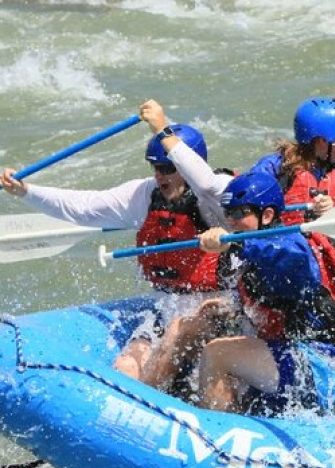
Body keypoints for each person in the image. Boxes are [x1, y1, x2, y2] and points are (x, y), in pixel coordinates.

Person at [0, 100, 234, 384]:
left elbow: (206, 182)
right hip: (167, 302)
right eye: (155, 167)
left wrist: (161, 128)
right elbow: (84, 208)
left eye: (166, 167)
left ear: (186, 165)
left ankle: (151, 408)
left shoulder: (219, 199)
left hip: (218, 303)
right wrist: (27, 192)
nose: (159, 175)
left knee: (174, 334)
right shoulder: (144, 195)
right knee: (127, 364)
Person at [195, 171, 335, 414]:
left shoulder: (289, 243)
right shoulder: (252, 246)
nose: (231, 221)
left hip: (322, 364)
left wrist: (235, 242)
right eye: (228, 214)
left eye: (238, 213)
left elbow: (287, 256)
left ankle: (216, 434)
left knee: (217, 353)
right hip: (290, 356)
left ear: (267, 215)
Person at [246, 96, 335, 270]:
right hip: (284, 258)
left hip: (333, 265)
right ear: (322, 140)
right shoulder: (275, 167)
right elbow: (248, 209)